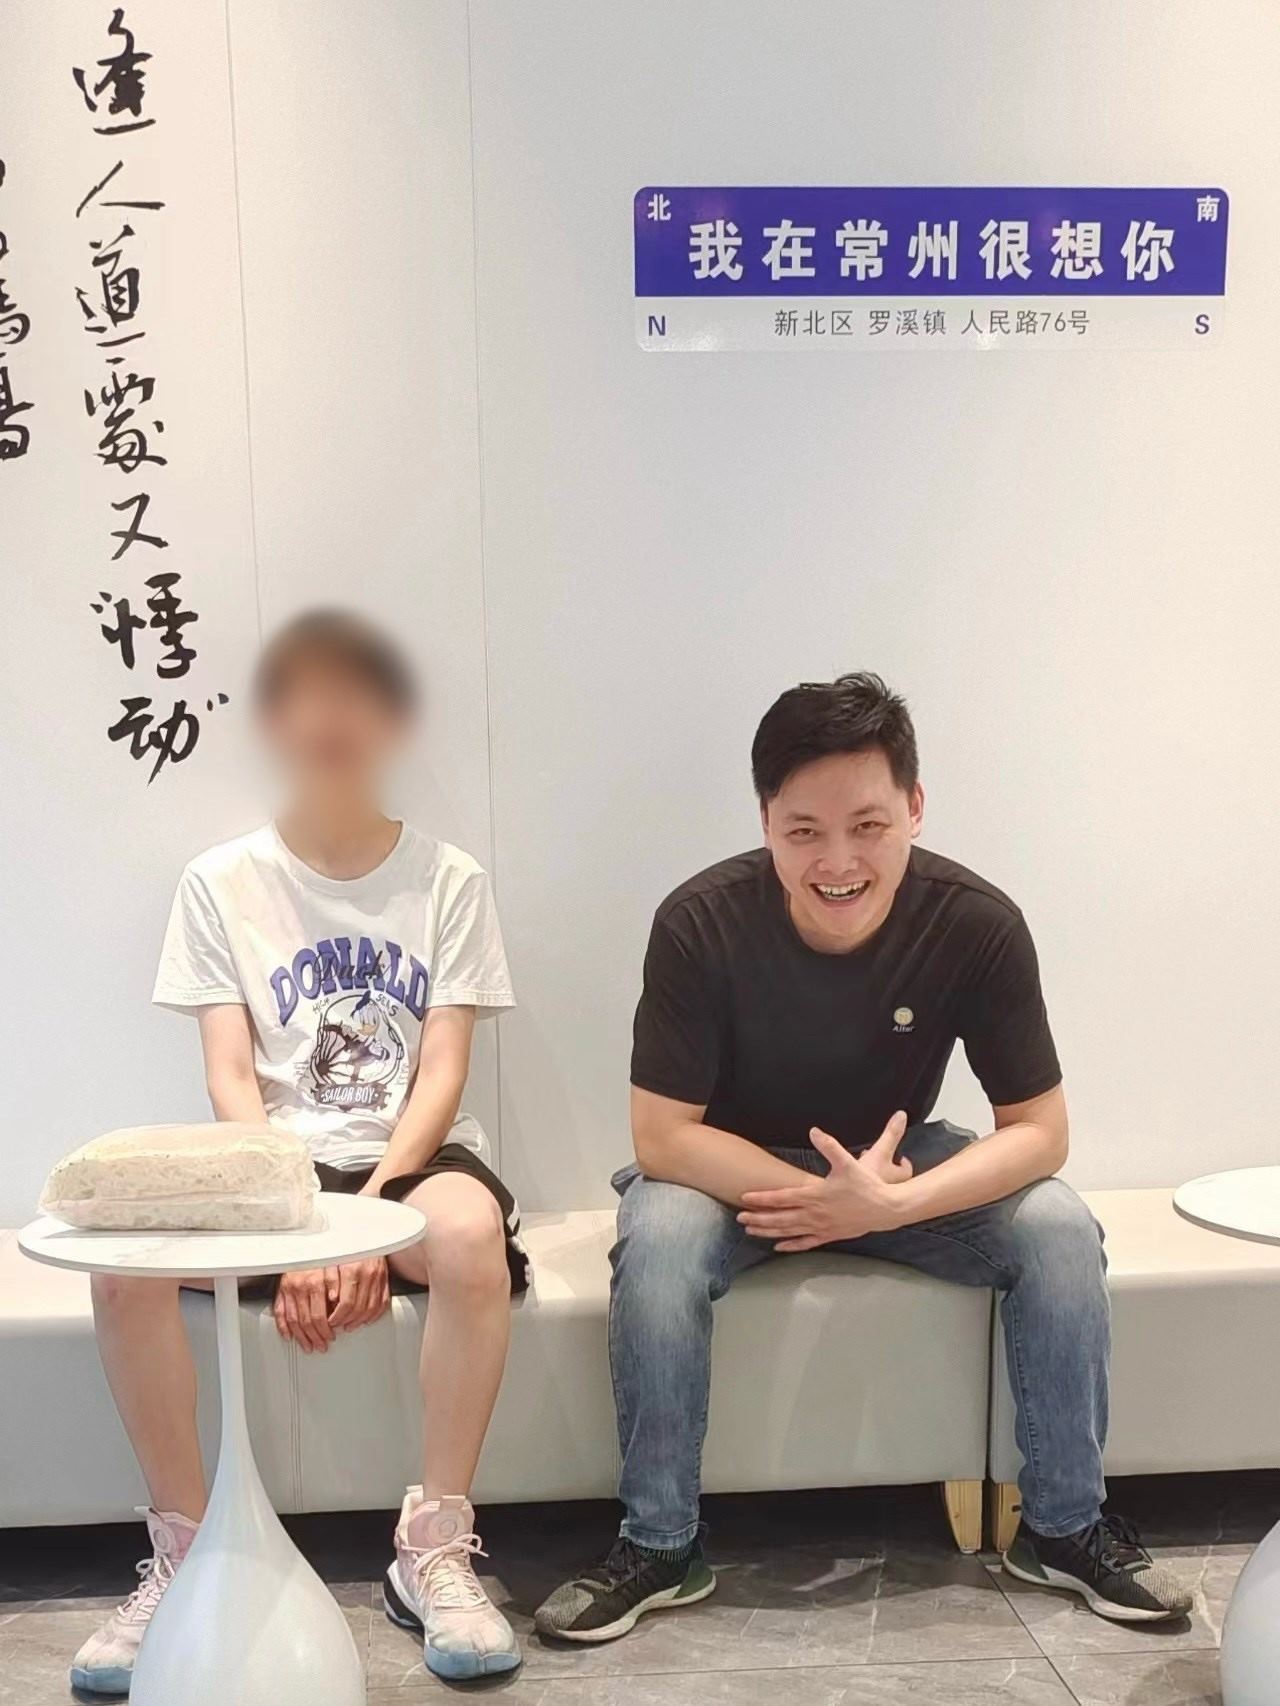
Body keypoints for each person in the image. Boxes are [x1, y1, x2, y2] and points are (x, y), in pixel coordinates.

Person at [536, 671, 1192, 1643]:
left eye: (868, 826)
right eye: (803, 830)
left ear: (914, 808)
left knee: (1058, 1226)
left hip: (899, 1163)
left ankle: (1063, 1527)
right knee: (660, 1241)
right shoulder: (698, 922)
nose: (836, 860)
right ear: (765, 822)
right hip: (735, 1166)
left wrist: (890, 1202)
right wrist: (831, 1198)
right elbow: (663, 1135)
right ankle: (659, 1544)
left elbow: (1040, 1130)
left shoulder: (975, 923)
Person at [72, 610, 526, 1693]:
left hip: (411, 1158)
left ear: (393, 720)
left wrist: (367, 1218)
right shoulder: (219, 881)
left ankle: (433, 1548)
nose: (331, 720)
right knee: (120, 1267)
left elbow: (442, 1072)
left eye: (356, 695)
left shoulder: (449, 878)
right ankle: (184, 1552)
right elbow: (230, 1077)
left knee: (467, 1234)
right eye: (305, 696)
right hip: (268, 1164)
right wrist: (298, 1223)